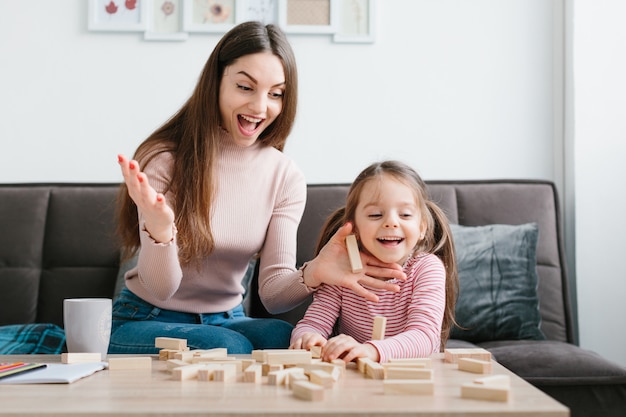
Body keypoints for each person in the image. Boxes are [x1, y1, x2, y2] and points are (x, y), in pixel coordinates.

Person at [110, 21, 406, 355]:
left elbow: (273, 295)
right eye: (245, 87)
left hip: (227, 319)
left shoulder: (284, 175)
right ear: (216, 82)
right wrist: (161, 231)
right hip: (145, 318)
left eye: (275, 94)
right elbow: (161, 288)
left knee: (285, 337)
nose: (260, 107)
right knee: (226, 346)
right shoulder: (166, 160)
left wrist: (315, 272)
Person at [290, 161, 459, 363]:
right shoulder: (341, 270)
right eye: (375, 215)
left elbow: (424, 338)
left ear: (422, 227)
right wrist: (308, 338)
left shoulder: (427, 269)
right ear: (354, 228)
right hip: (356, 379)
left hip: (411, 377)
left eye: (405, 214)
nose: (391, 222)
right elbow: (313, 323)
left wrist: (371, 351)